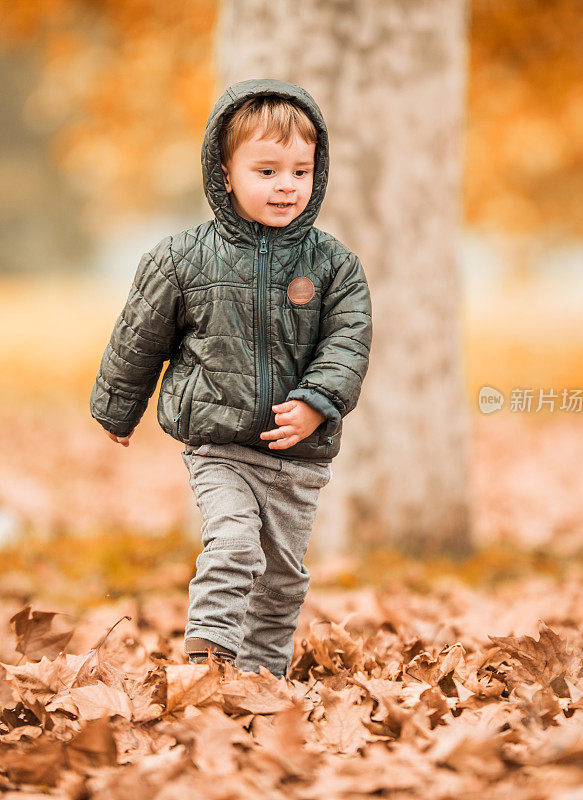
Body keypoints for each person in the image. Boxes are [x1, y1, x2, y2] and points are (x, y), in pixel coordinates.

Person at [89, 78, 373, 678]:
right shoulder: (181, 258)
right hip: (218, 444)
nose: (285, 186)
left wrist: (318, 401)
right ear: (225, 171)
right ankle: (209, 665)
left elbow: (348, 342)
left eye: (300, 171)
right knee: (235, 543)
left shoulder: (333, 265)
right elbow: (140, 335)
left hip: (297, 457)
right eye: (267, 171)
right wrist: (118, 409)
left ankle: (259, 680)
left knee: (281, 579)